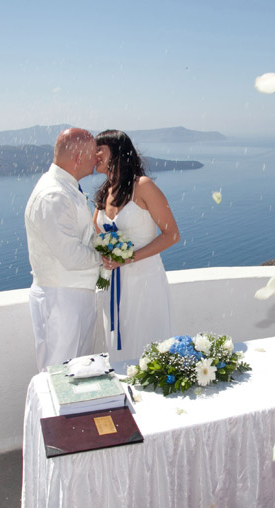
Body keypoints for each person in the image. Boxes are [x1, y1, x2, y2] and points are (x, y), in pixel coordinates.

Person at [93, 130, 180, 361]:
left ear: (118, 152)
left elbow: (171, 235)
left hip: (145, 281)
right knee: (116, 345)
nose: (95, 154)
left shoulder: (142, 186)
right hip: (113, 284)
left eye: (100, 148)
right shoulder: (105, 191)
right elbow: (95, 231)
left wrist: (129, 257)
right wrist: (106, 253)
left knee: (145, 345)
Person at [24, 128, 102, 372]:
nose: (97, 160)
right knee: (58, 373)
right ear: (78, 158)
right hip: (62, 299)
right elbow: (71, 256)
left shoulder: (65, 188)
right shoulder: (54, 196)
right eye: (93, 155)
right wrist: (106, 256)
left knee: (77, 371)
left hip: (73, 295)